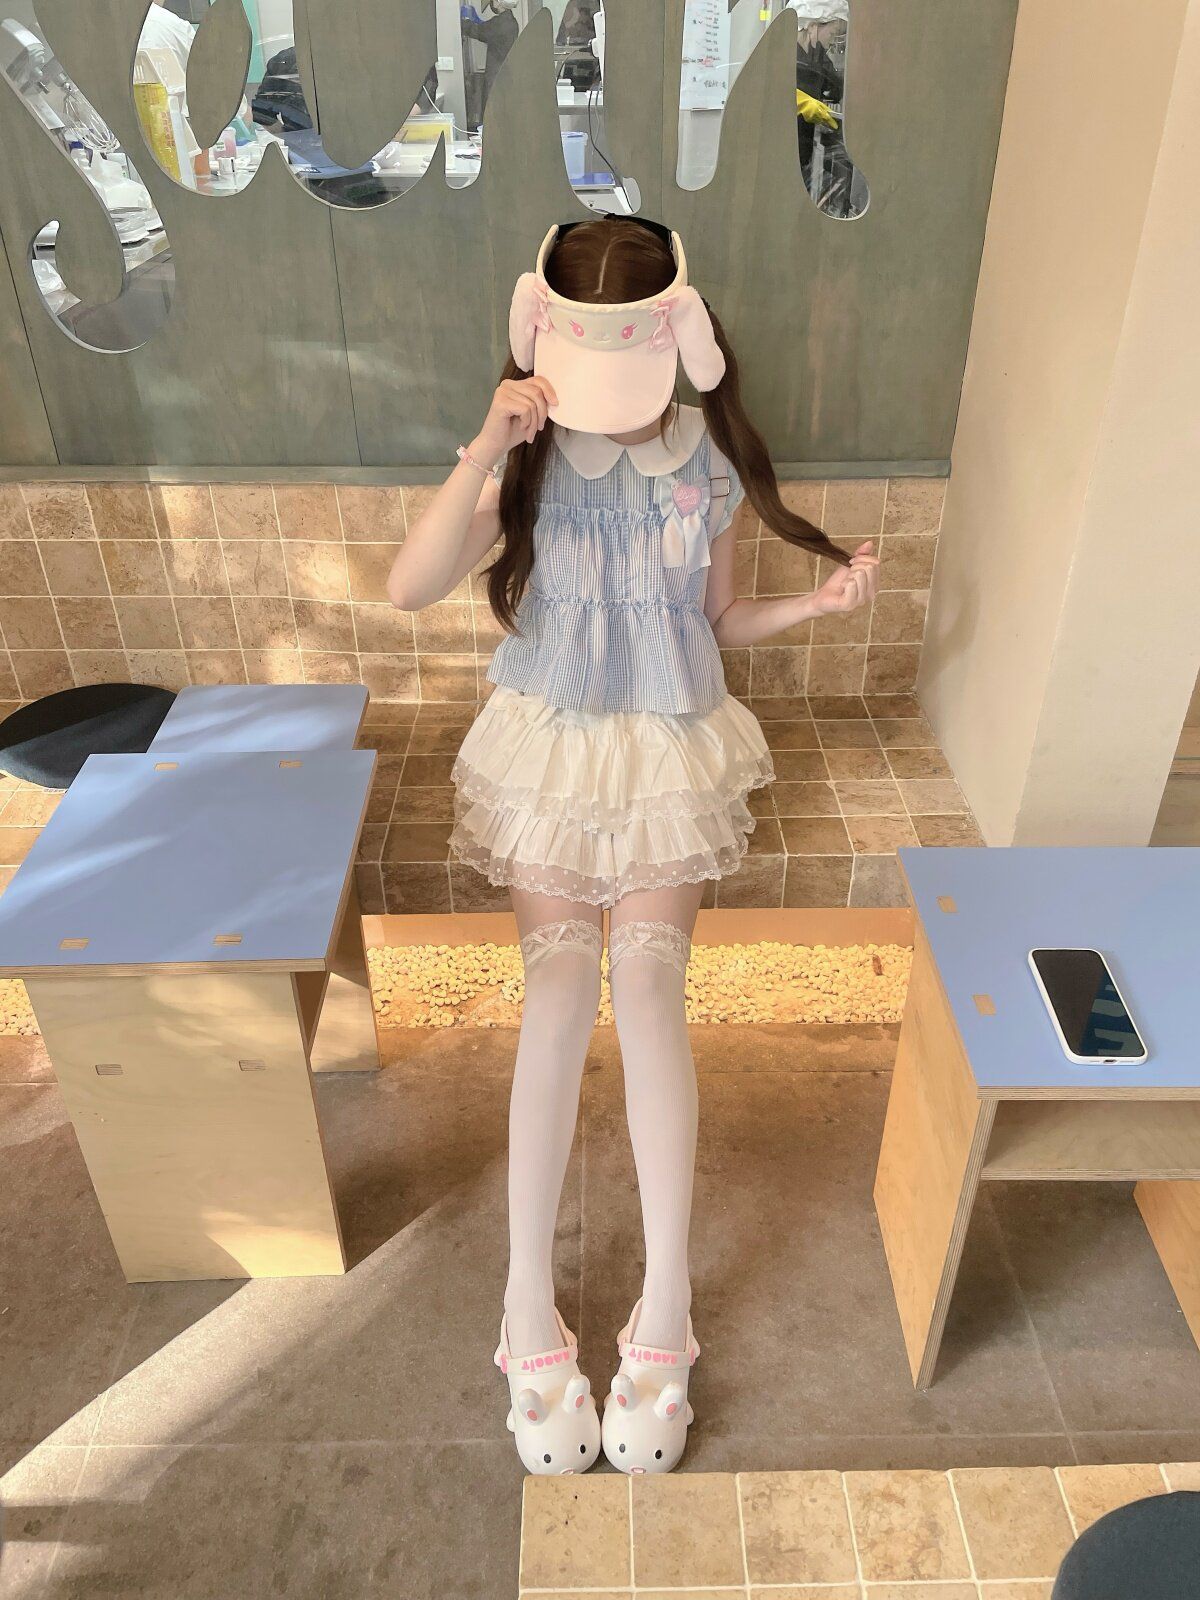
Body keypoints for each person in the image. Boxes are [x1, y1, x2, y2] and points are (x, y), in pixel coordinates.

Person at [386, 217, 878, 1476]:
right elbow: (409, 585)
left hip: (667, 744)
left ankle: (668, 1303)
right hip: (547, 742)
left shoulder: (703, 459)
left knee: (652, 990)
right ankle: (524, 1303)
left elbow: (716, 620)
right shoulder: (527, 452)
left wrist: (817, 603)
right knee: (558, 987)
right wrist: (486, 445)